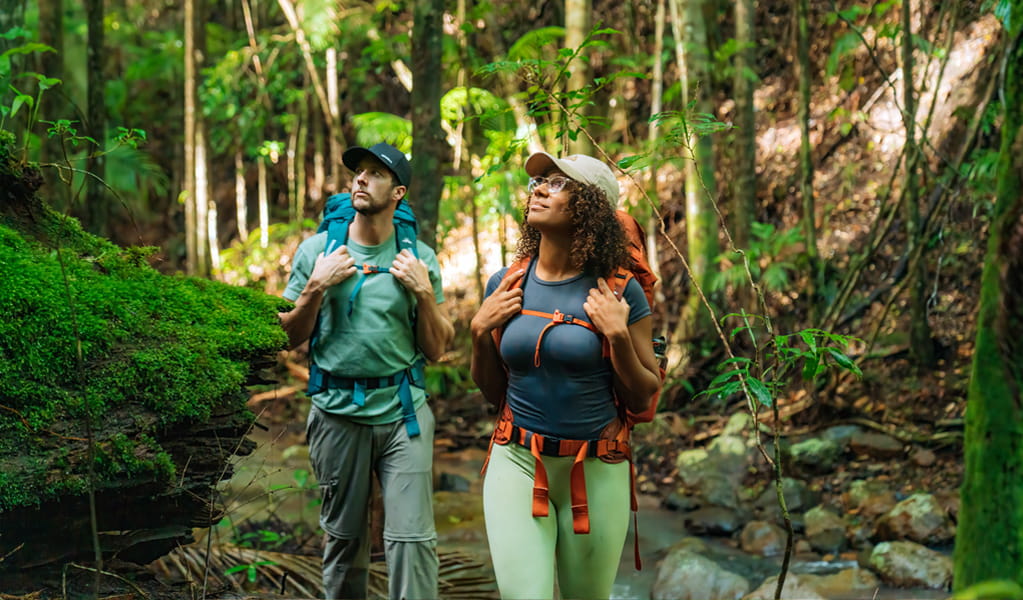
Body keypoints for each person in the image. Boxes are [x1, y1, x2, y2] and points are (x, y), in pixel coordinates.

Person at [470, 151, 662, 599]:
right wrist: (479, 331)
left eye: (557, 184)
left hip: (597, 466)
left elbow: (643, 395)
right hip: (517, 459)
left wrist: (617, 337)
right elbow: (491, 391)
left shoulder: (618, 289)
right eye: (539, 182)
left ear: (591, 207)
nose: (538, 189)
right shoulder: (506, 281)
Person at [279, 142, 454, 600]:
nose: (360, 179)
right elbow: (287, 336)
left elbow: (436, 349)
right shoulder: (318, 251)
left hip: (403, 414)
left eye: (375, 173)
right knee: (344, 541)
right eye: (358, 171)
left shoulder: (419, 259)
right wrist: (315, 286)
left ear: (397, 193)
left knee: (412, 542)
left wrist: (423, 294)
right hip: (336, 414)